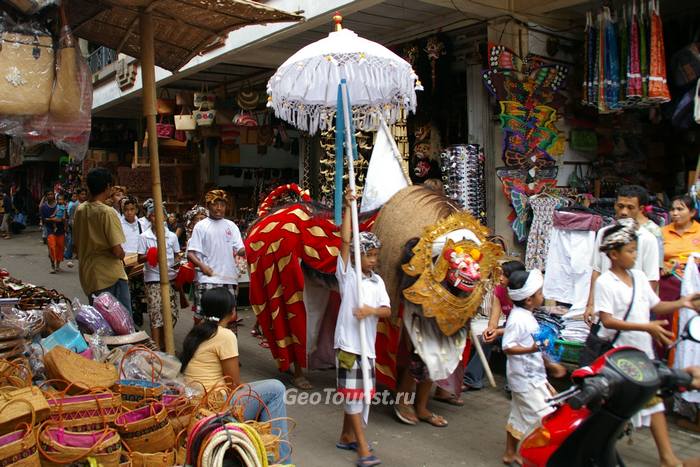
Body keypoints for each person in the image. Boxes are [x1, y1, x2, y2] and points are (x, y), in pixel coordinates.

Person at [594, 219, 699, 467]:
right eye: (630, 251)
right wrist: (647, 327)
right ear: (613, 254)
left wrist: (682, 302)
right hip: (621, 356)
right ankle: (665, 458)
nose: (634, 256)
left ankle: (666, 457)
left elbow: (656, 306)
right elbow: (607, 321)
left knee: (652, 401)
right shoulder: (605, 283)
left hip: (642, 354)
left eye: (634, 251)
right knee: (639, 404)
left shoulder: (639, 277)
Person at [181, 287, 291, 465]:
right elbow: (234, 384)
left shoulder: (198, 330)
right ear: (232, 311)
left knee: (264, 391)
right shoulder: (225, 336)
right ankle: (282, 460)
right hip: (215, 407)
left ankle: (267, 452)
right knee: (276, 388)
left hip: (199, 403)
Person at [334, 189, 390, 467]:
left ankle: (346, 436)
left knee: (361, 394)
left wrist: (370, 311)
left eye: (375, 255)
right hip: (348, 345)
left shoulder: (377, 282)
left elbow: (387, 311)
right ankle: (363, 450)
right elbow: (344, 241)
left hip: (367, 347)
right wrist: (348, 208)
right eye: (368, 255)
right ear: (357, 256)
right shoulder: (348, 276)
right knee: (355, 395)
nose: (372, 260)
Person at [502, 269, 565, 465]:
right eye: (540, 293)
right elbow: (508, 346)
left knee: (519, 414)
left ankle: (510, 453)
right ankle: (536, 457)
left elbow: (535, 347)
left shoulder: (527, 316)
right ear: (529, 299)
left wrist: (549, 364)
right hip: (525, 380)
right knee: (545, 418)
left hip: (531, 377)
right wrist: (530, 349)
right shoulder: (518, 319)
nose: (542, 296)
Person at [585, 185, 661, 326]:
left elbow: (652, 279)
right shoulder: (604, 233)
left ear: (641, 209)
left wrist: (637, 308)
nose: (624, 212)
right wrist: (590, 304)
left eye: (630, 207)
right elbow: (597, 270)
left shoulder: (648, 239)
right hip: (605, 307)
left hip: (632, 312)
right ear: (614, 206)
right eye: (620, 206)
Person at [73, 168, 131, 311]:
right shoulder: (107, 212)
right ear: (107, 187)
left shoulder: (80, 209)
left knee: (100, 324)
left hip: (89, 274)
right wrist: (124, 256)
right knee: (121, 323)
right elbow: (117, 250)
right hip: (109, 276)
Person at [463, 260, 525, 391]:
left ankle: (514, 384)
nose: (501, 278)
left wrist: (499, 332)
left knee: (514, 343)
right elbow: (494, 319)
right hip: (507, 328)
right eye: (501, 274)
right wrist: (491, 330)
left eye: (505, 275)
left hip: (521, 331)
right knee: (485, 339)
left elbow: (521, 326)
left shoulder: (524, 295)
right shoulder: (499, 290)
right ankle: (471, 380)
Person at [186, 190, 245, 324]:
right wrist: (203, 266)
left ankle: (227, 344)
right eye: (215, 204)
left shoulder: (232, 226)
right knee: (207, 320)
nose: (219, 208)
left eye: (222, 205)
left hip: (228, 279)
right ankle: (207, 344)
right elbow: (191, 253)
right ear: (208, 206)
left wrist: (251, 247)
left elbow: (240, 249)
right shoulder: (201, 226)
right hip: (207, 279)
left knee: (229, 319)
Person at [660, 195, 700, 356]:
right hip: (668, 282)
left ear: (692, 212)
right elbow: (656, 259)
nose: (675, 213)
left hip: (694, 283)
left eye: (680, 209)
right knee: (667, 321)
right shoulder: (663, 232)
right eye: (672, 209)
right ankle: (667, 355)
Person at [137, 204, 180, 350]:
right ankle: (155, 348)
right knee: (156, 314)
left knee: (172, 313)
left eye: (160, 215)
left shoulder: (172, 236)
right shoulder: (144, 236)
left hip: (169, 279)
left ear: (165, 218)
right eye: (154, 215)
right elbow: (139, 258)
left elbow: (176, 257)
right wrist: (151, 254)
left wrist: (180, 268)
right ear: (150, 218)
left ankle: (165, 341)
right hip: (153, 279)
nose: (157, 218)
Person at [121, 196, 145, 326]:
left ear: (136, 209)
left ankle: (138, 314)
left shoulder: (142, 224)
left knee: (139, 291)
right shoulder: (119, 224)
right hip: (125, 262)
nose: (129, 212)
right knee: (128, 292)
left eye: (132, 209)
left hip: (139, 261)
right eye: (126, 210)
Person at [40, 191, 66, 274]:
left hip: (60, 229)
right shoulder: (44, 207)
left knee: (60, 247)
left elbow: (63, 217)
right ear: (46, 196)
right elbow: (43, 219)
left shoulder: (60, 205)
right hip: (49, 229)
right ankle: (52, 266)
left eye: (51, 194)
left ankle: (58, 266)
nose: (50, 196)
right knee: (52, 247)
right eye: (48, 194)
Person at [64, 191, 80, 267]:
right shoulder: (73, 205)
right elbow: (70, 216)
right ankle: (68, 254)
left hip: (76, 225)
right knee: (72, 240)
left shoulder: (77, 204)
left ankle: (70, 254)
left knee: (72, 240)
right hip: (73, 225)